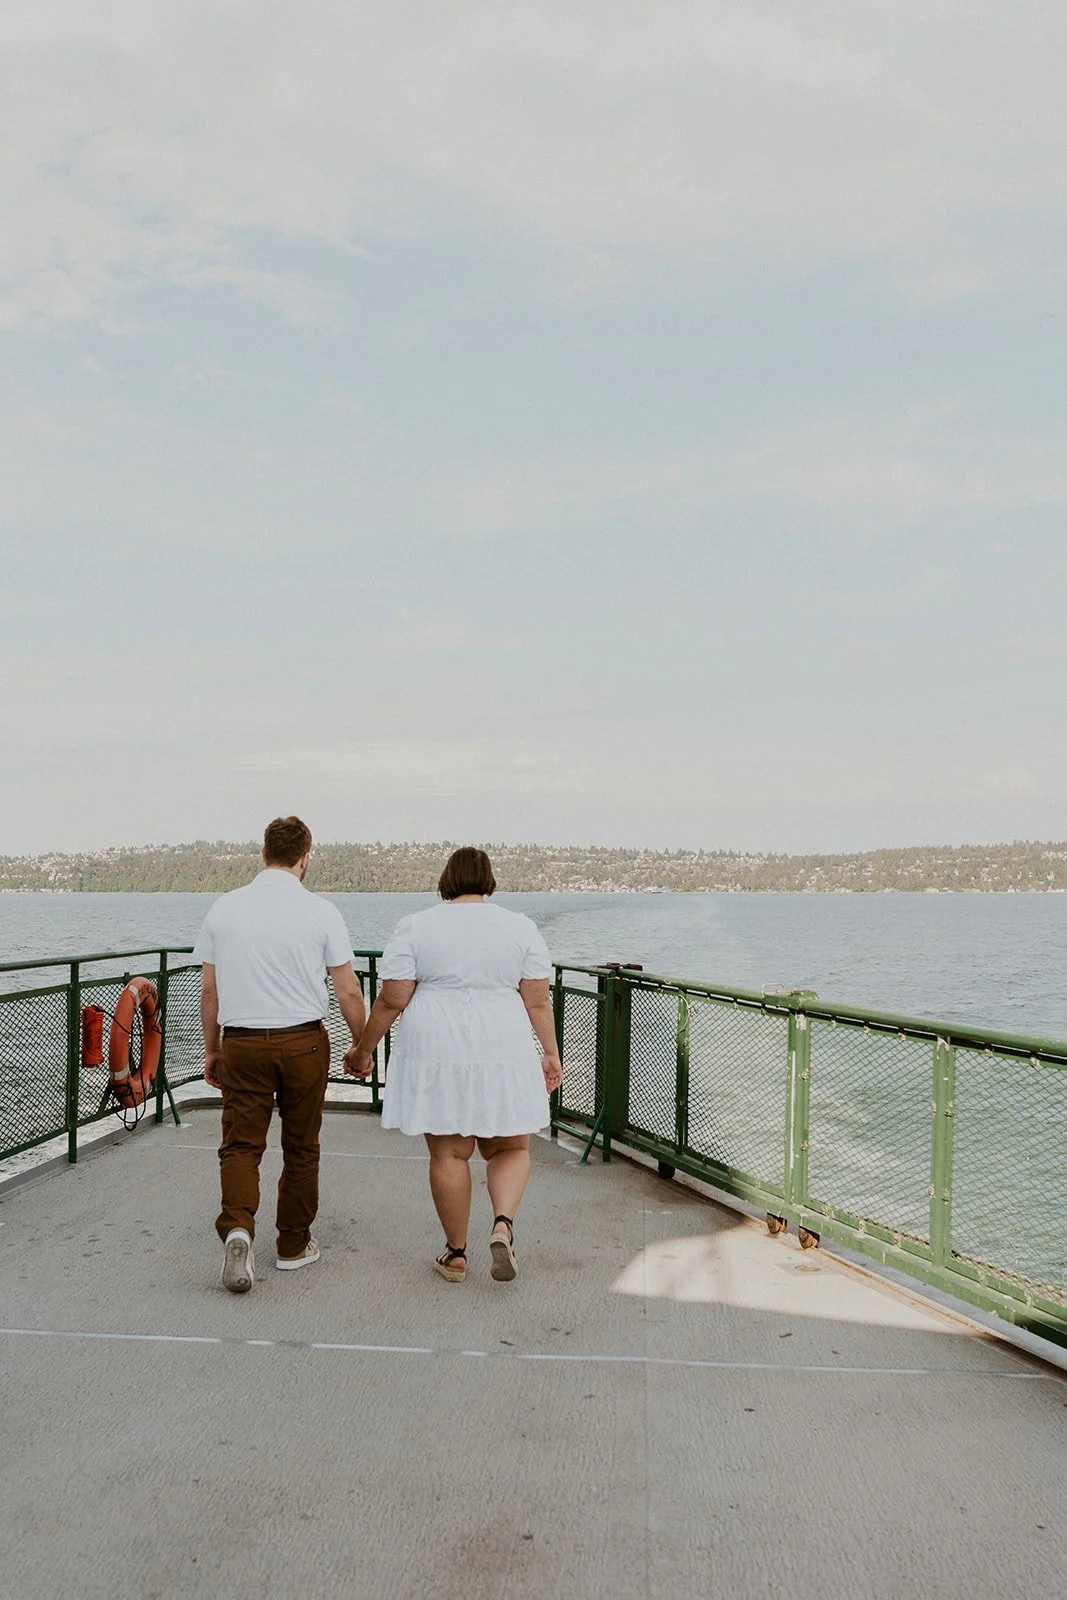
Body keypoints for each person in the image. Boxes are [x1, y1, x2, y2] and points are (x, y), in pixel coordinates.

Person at [345, 846, 563, 1283]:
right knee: (511, 1147)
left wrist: (364, 1048)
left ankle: (456, 1254)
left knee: (449, 1152)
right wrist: (551, 1052)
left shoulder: (416, 926)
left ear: (447, 879)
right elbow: (537, 999)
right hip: (502, 1043)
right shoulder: (519, 927)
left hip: (437, 1045)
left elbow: (393, 998)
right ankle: (503, 1224)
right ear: (488, 881)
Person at [193, 815, 366, 1293]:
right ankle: (292, 1245)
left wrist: (213, 1049)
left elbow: (209, 991)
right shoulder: (322, 911)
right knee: (301, 1145)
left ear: (263, 853)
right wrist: (362, 1044)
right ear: (305, 857)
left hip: (243, 1042)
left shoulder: (223, 910)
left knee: (241, 1145)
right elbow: (348, 989)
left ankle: (238, 1229)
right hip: (303, 1042)